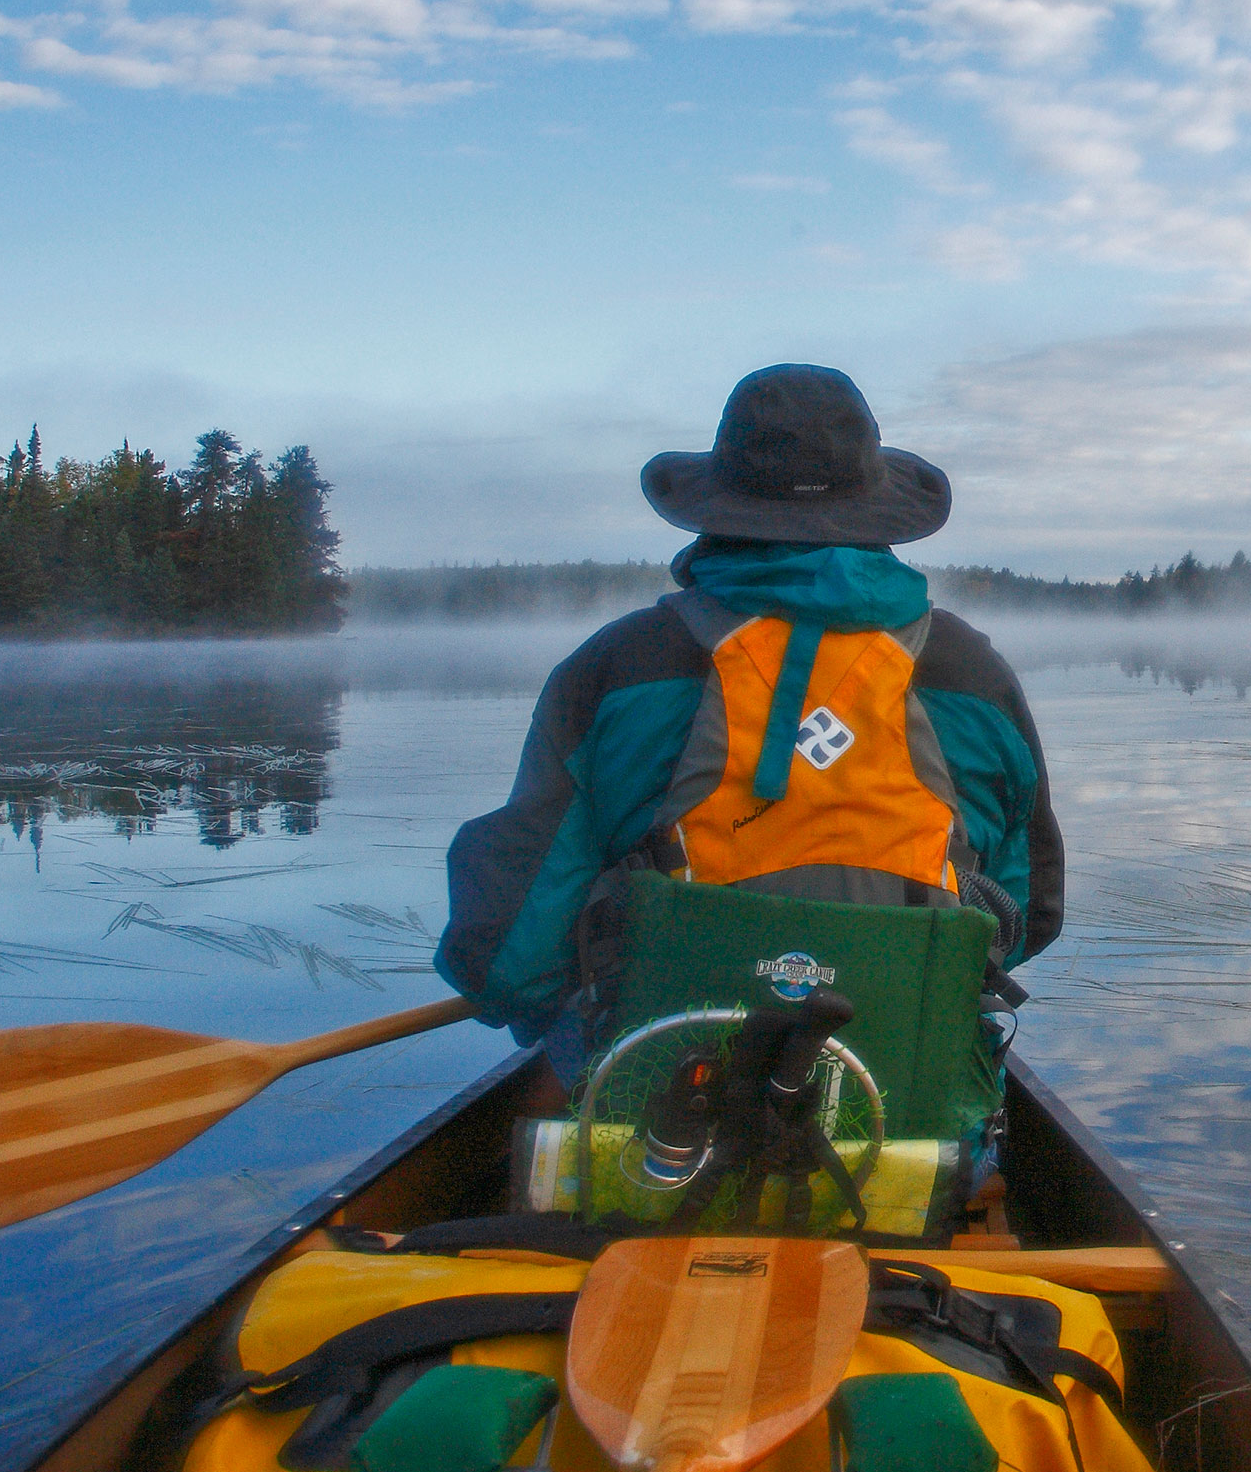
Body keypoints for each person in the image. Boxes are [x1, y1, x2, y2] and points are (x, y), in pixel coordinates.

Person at [435, 364, 1062, 1080]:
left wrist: (550, 1000)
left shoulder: (616, 668)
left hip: (661, 1093)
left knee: (559, 1041)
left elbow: (513, 949)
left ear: (721, 507)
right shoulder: (973, 675)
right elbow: (1028, 913)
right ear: (875, 508)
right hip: (908, 1088)